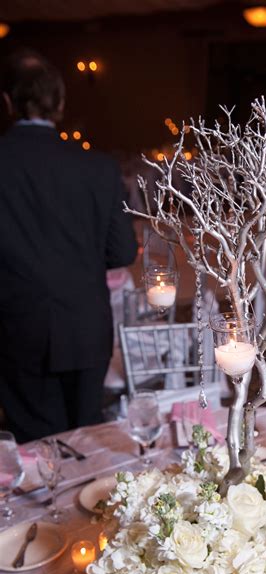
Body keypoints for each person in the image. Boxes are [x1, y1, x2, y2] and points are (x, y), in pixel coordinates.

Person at [0, 49, 137, 442]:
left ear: (8, 102)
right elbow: (123, 253)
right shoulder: (98, 166)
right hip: (85, 327)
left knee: (34, 442)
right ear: (59, 103)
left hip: (17, 328)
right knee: (86, 440)